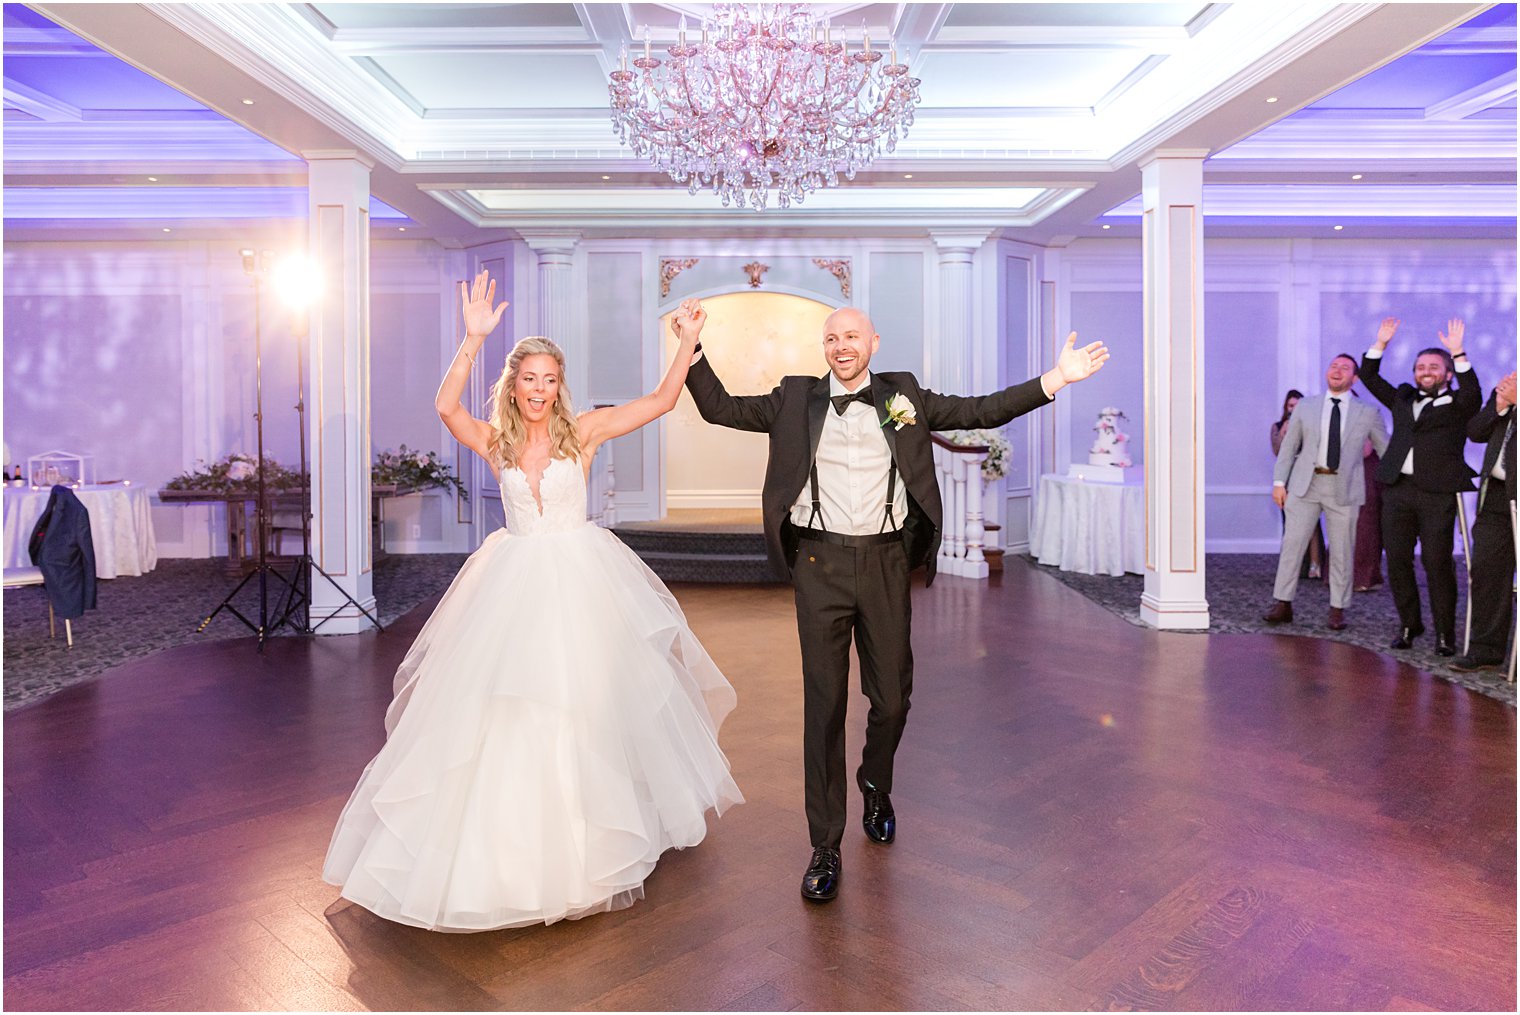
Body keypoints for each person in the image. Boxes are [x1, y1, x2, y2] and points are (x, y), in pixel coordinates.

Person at [323, 271, 742, 932]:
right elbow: (446, 410)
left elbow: (663, 400)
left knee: (584, 709)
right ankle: (511, 853)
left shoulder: (590, 431)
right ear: (514, 384)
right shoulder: (499, 442)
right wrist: (471, 338)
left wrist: (687, 341)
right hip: (512, 585)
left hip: (582, 581)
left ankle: (588, 843)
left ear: (560, 385)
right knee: (506, 711)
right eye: (530, 378)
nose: (540, 389)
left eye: (550, 379)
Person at [682, 304, 1108, 902]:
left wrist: (1055, 379)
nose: (840, 345)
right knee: (824, 705)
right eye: (831, 337)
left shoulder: (902, 395)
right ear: (823, 347)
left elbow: (977, 411)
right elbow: (720, 408)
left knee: (892, 698)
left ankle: (875, 782)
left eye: (851, 335)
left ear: (873, 342)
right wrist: (693, 348)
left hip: (884, 564)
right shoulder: (793, 397)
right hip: (818, 563)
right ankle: (825, 844)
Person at [1360, 317, 1481, 655]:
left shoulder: (1459, 404)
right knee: (1397, 560)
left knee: (1436, 562)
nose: (1425, 371)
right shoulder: (1402, 397)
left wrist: (1458, 352)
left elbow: (1473, 392)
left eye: (1433, 366)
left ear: (1447, 375)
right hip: (1398, 489)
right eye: (1420, 367)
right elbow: (1368, 376)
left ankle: (1446, 634)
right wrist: (1380, 343)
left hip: (1437, 494)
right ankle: (1410, 624)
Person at [1263, 354, 1389, 630]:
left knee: (1343, 550)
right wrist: (1278, 483)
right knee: (1292, 546)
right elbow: (1288, 448)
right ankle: (1283, 603)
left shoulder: (1368, 412)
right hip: (1304, 485)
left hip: (1343, 489)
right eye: (1334, 366)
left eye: (1345, 368)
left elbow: (1386, 451)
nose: (1337, 371)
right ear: (1326, 373)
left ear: (1354, 378)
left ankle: (1337, 609)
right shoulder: (1306, 407)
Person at [1452, 370, 1516, 672]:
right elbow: (1475, 431)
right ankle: (1485, 650)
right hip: (1497, 497)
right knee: (1488, 572)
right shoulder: (1507, 387)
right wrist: (1501, 402)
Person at [1271, 389, 1325, 579]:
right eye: (1291, 406)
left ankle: (1316, 564)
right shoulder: (1278, 426)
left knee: (1312, 524)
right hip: (1287, 479)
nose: (1294, 409)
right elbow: (1278, 452)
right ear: (1286, 408)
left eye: (1298, 405)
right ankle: (1295, 568)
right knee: (1292, 524)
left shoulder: (1311, 425)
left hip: (1309, 478)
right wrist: (1285, 432)